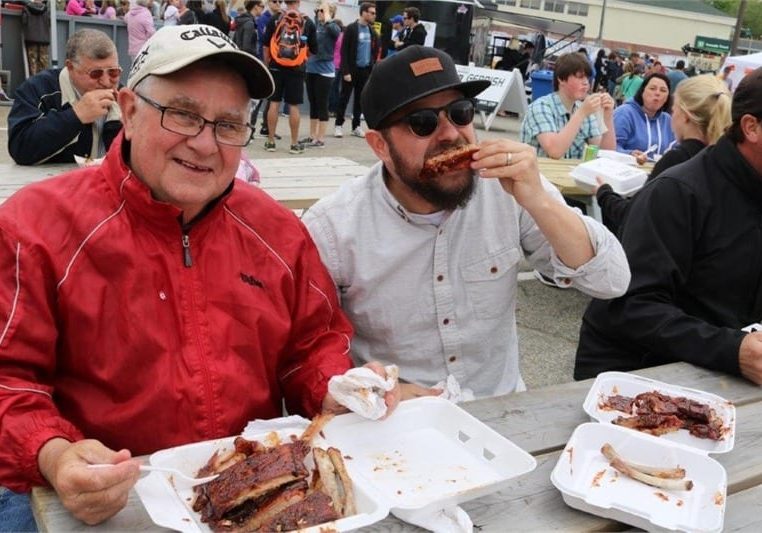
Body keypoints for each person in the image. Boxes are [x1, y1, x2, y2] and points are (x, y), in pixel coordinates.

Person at [0, 24, 400, 529]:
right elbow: (9, 380)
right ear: (128, 109)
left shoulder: (276, 230)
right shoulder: (35, 227)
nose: (206, 144)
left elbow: (312, 343)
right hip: (106, 499)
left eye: (229, 125)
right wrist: (53, 453)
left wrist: (336, 387)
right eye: (183, 115)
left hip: (247, 489)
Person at [302, 46, 630, 399]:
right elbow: (307, 352)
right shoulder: (333, 228)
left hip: (500, 409)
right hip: (396, 423)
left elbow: (612, 280)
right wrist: (367, 390)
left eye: (460, 113)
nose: (450, 134)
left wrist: (539, 200)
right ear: (379, 145)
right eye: (423, 122)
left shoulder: (508, 188)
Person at [574, 67, 762, 385]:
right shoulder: (678, 191)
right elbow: (630, 304)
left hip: (715, 372)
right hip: (633, 376)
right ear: (751, 127)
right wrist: (733, 350)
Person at [595, 74, 732, 235]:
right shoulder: (725, 160)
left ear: (685, 117)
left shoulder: (678, 160)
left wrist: (604, 194)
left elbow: (633, 215)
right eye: (652, 88)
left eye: (674, 110)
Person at [7, 29, 122, 166]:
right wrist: (76, 116)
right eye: (95, 73)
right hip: (51, 182)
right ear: (70, 67)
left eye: (113, 72)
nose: (106, 81)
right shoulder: (39, 88)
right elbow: (20, 148)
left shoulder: (124, 93)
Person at [520, 52, 616, 159]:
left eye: (587, 78)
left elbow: (606, 154)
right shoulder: (541, 107)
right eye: (580, 77)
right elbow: (554, 151)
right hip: (539, 172)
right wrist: (581, 113)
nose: (586, 83)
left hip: (567, 173)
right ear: (561, 79)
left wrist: (608, 117)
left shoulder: (583, 110)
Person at [262, 0, 317, 154]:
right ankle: (293, 144)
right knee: (293, 106)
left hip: (275, 67)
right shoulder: (307, 21)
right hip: (296, 69)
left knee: (274, 103)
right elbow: (314, 49)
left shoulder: (276, 18)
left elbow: (266, 44)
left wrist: (268, 63)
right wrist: (301, 57)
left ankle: (270, 141)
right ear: (298, 2)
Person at [333, 1, 379, 139]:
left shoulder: (372, 31)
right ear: (363, 12)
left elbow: (375, 49)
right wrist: (345, 71)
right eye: (371, 13)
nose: (373, 15)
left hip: (365, 70)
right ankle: (338, 125)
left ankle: (356, 126)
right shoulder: (352, 28)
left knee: (360, 99)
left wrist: (372, 65)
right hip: (352, 70)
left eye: (374, 13)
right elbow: (344, 51)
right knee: (344, 97)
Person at [613, 72, 675, 162]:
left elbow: (675, 148)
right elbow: (611, 148)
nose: (657, 93)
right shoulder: (624, 113)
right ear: (642, 91)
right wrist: (630, 154)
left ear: (667, 98)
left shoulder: (667, 120)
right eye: (652, 88)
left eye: (663, 90)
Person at [303, 1, 340, 147]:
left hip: (324, 71)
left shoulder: (332, 26)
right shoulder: (315, 26)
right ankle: (312, 136)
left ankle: (321, 138)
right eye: (318, 10)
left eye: (322, 11)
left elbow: (336, 33)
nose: (319, 13)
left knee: (322, 104)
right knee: (313, 103)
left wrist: (327, 15)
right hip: (311, 67)